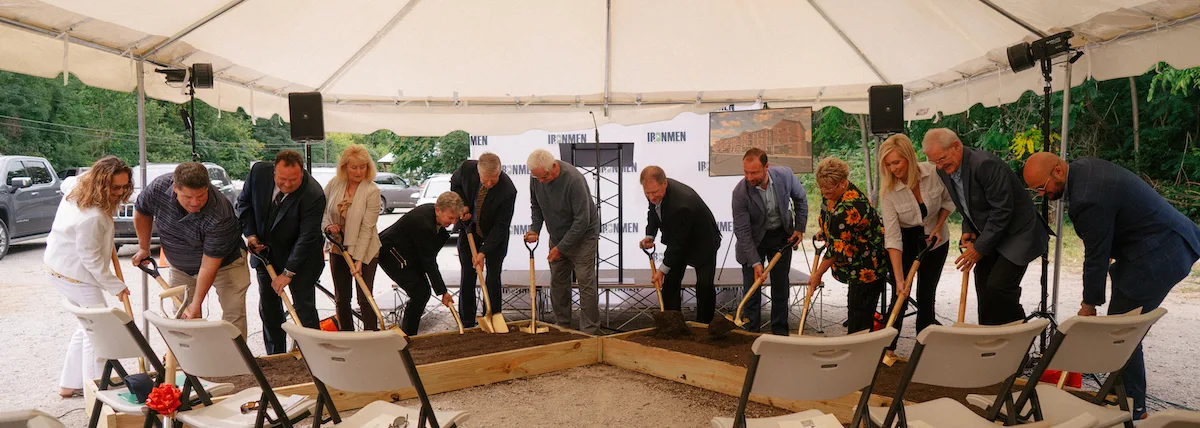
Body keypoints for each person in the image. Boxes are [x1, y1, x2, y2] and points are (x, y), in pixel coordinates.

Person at [1023, 152, 1200, 419]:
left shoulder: (1086, 197)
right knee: (1121, 327)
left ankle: (1133, 408)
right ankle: (1122, 396)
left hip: (1161, 253)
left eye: (1041, 187)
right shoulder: (1083, 170)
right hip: (1160, 243)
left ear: (1057, 171)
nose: (1042, 195)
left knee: (1121, 331)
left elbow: (1096, 255)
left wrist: (1088, 305)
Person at [922, 128, 1046, 325]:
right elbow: (966, 203)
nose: (939, 166)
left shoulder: (985, 165)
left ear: (956, 146)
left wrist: (979, 248)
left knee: (999, 285)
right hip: (993, 232)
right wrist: (968, 229)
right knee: (983, 282)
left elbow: (1002, 211)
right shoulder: (943, 170)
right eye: (934, 161)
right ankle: (989, 336)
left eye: (942, 159)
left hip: (1019, 233)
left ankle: (1019, 334)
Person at [45, 156, 132, 398]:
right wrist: (116, 286)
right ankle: (96, 392)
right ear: (101, 184)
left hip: (59, 265)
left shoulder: (80, 184)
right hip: (75, 275)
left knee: (87, 327)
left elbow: (67, 182)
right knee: (99, 330)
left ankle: (69, 384)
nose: (120, 192)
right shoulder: (92, 216)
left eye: (124, 186)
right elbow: (90, 258)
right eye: (115, 187)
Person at [133, 162, 250, 337]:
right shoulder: (158, 188)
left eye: (201, 196)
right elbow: (142, 211)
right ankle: (193, 354)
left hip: (226, 264)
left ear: (207, 187)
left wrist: (196, 304)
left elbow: (208, 266)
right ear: (175, 188)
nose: (195, 203)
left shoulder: (220, 213)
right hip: (181, 265)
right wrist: (144, 247)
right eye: (188, 197)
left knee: (233, 313)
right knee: (183, 319)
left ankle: (235, 354)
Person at [237, 150, 325, 354]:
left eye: (293, 180)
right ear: (274, 171)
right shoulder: (258, 173)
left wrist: (288, 273)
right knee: (269, 310)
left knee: (303, 309)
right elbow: (244, 204)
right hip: (265, 254)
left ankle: (313, 355)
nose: (287, 184)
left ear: (301, 173)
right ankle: (276, 356)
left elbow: (307, 237)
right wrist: (251, 235)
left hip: (301, 260)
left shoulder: (314, 194)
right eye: (282, 179)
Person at [878, 134, 955, 356]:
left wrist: (938, 226)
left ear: (909, 157)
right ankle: (888, 349)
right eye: (888, 164)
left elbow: (949, 200)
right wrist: (899, 278)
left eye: (896, 162)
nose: (893, 168)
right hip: (906, 241)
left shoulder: (933, 173)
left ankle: (923, 349)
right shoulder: (888, 193)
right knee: (900, 295)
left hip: (935, 239)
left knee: (926, 295)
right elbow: (893, 237)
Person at [809, 157, 891, 335]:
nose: (824, 191)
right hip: (854, 261)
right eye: (821, 187)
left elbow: (835, 250)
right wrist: (825, 230)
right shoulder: (831, 195)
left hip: (868, 265)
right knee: (854, 309)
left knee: (860, 316)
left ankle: (860, 349)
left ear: (843, 183)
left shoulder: (850, 206)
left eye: (828, 188)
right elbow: (831, 219)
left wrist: (817, 275)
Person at [523, 149, 601, 335]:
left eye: (544, 177)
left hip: (584, 237)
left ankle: (590, 331)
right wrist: (535, 229)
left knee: (585, 281)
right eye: (536, 177)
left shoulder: (574, 180)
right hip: (558, 236)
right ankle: (562, 326)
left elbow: (582, 220)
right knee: (558, 281)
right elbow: (537, 206)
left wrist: (561, 248)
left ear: (554, 167)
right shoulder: (536, 178)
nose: (541, 181)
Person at [731, 148, 807, 335]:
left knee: (780, 288)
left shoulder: (785, 176)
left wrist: (799, 228)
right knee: (752, 289)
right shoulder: (740, 193)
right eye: (746, 172)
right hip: (753, 241)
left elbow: (801, 198)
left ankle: (780, 333)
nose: (749, 177)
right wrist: (755, 262)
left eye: (754, 173)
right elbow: (742, 231)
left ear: (766, 167)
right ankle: (751, 334)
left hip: (781, 236)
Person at [639, 166, 721, 322]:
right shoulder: (654, 191)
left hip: (703, 242)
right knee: (670, 284)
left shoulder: (681, 205)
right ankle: (672, 323)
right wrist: (650, 235)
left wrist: (661, 270)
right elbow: (653, 210)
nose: (651, 197)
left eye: (654, 192)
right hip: (680, 238)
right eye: (647, 193)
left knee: (704, 286)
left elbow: (677, 244)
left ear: (664, 183)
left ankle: (704, 326)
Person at [378, 192, 460, 335]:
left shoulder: (435, 216)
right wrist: (442, 291)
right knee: (420, 293)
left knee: (422, 292)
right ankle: (408, 335)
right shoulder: (424, 224)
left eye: (456, 218)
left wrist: (440, 289)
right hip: (391, 253)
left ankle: (409, 333)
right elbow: (429, 260)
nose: (453, 222)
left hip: (409, 254)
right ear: (438, 210)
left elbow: (428, 257)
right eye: (450, 218)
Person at [321, 144, 383, 331]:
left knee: (364, 297)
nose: (358, 171)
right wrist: (328, 227)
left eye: (362, 167)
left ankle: (371, 335)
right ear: (344, 167)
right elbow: (322, 210)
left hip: (366, 249)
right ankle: (347, 336)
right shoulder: (334, 184)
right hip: (338, 247)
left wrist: (358, 260)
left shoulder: (372, 191)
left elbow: (367, 228)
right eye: (354, 167)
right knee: (341, 298)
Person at [451, 152, 516, 328]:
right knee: (468, 274)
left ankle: (493, 317)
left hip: (494, 237)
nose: (488, 184)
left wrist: (483, 252)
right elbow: (455, 184)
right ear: (478, 171)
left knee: (493, 276)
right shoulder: (466, 169)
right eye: (485, 180)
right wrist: (462, 205)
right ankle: (466, 321)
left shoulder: (508, 191)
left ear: (499, 172)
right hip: (469, 230)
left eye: (493, 181)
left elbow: (501, 226)